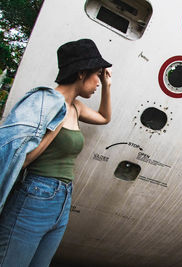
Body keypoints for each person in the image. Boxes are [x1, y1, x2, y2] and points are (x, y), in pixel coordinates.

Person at [0, 38, 112, 266]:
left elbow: (104, 117)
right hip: (34, 195)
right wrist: (56, 124)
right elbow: (20, 158)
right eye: (97, 74)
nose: (98, 81)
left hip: (62, 200)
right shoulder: (43, 101)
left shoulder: (75, 107)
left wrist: (107, 86)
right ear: (81, 73)